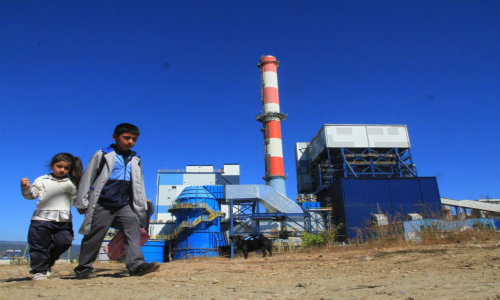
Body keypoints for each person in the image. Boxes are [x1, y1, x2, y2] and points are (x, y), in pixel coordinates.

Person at [74, 123, 160, 279]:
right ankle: (84, 268)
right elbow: (88, 178)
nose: (130, 142)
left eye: (134, 139)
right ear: (115, 137)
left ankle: (136, 265)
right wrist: (81, 202)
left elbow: (139, 182)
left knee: (133, 230)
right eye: (126, 138)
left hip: (124, 205)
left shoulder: (135, 158)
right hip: (103, 203)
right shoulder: (102, 155)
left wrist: (140, 204)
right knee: (94, 235)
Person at [21, 153, 83, 281]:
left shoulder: (71, 183)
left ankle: (47, 261)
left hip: (63, 220)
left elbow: (75, 200)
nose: (62, 170)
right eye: (59, 166)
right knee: (39, 245)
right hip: (41, 219)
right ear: (52, 165)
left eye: (66, 168)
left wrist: (81, 208)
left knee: (65, 241)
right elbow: (31, 195)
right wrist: (26, 187)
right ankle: (39, 271)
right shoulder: (42, 180)